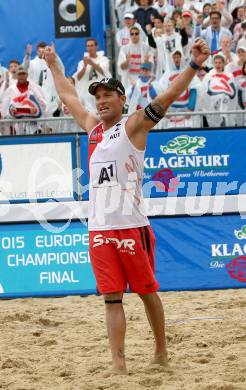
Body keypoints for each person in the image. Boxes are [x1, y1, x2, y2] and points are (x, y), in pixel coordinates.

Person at [44, 38, 210, 375]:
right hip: (100, 228)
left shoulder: (133, 125)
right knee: (111, 298)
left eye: (108, 95)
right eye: (98, 96)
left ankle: (161, 351)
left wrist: (192, 65)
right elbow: (68, 96)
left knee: (148, 293)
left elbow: (165, 98)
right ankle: (118, 366)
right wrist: (53, 65)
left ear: (123, 99)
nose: (101, 101)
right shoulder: (93, 130)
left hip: (132, 226)